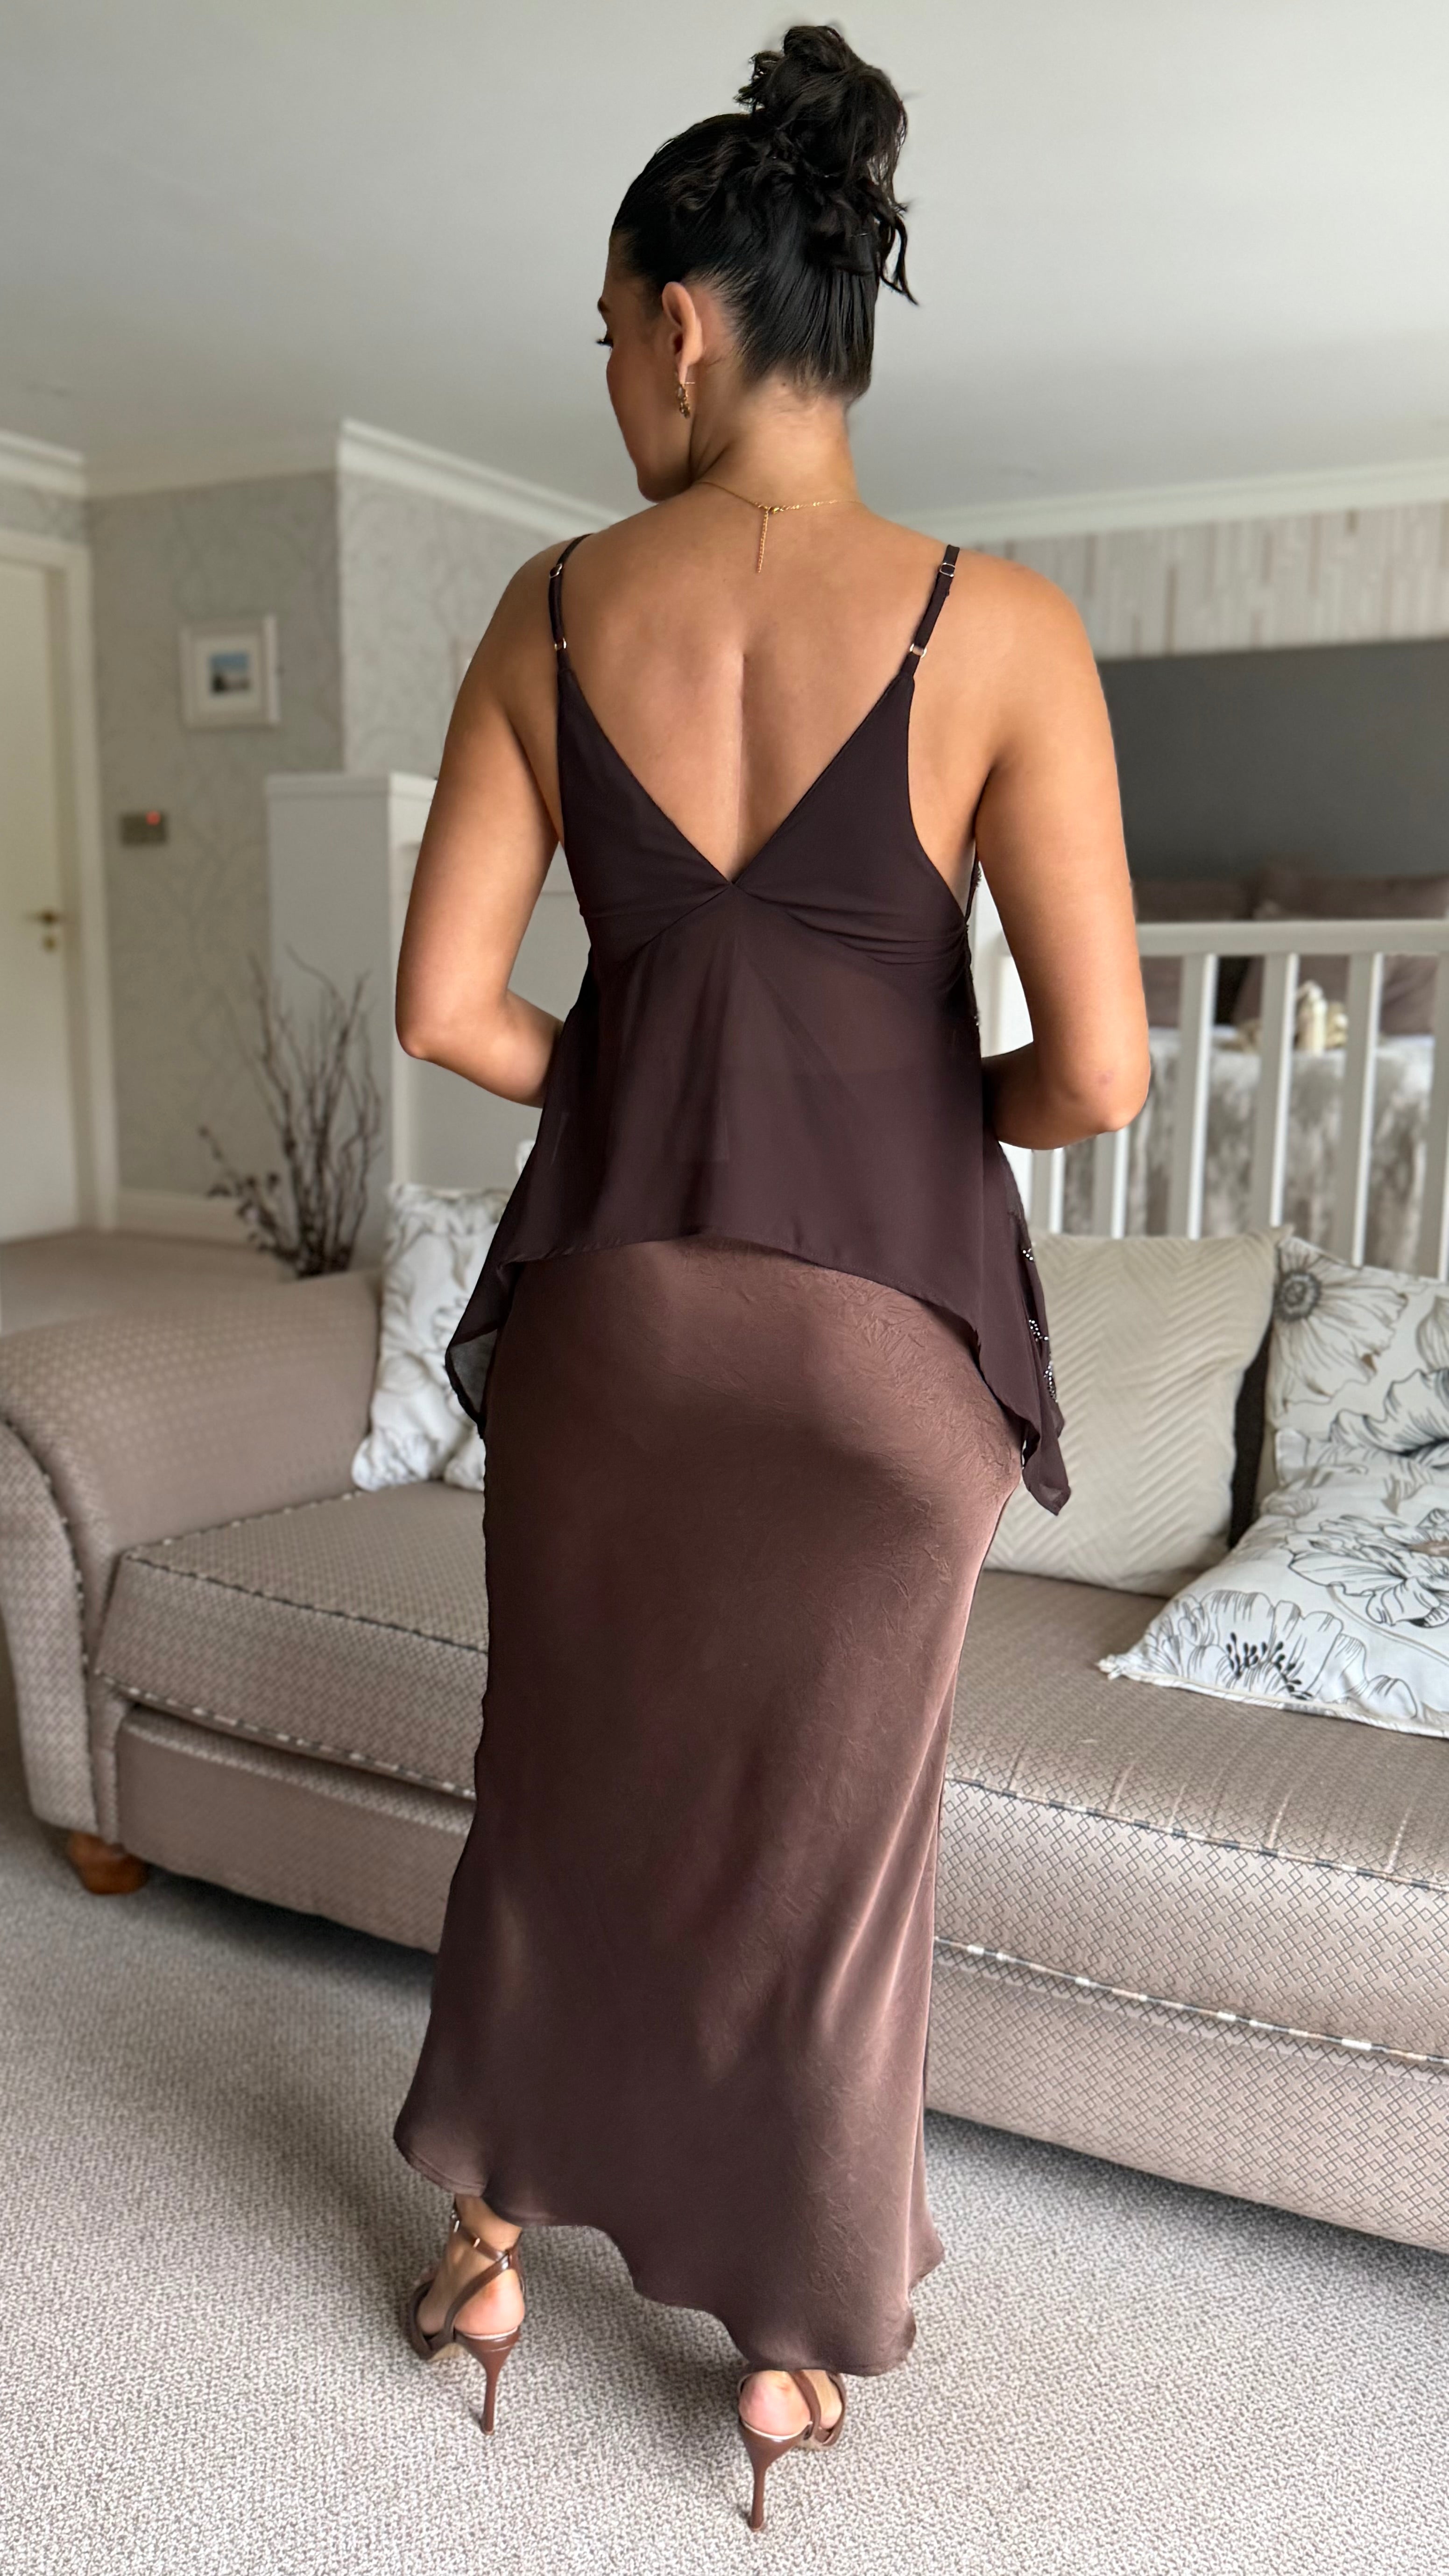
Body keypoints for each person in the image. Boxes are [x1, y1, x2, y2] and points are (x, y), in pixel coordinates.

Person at [390, 20, 1149, 2533]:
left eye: (610, 336)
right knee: (833, 1872)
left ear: (685, 324)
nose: (610, 381)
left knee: (560, 1790)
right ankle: (796, 2354)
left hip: (613, 1329)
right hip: (879, 1362)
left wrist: (643, 1076)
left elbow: (450, 1010)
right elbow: (1102, 1076)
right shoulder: (999, 627)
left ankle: (489, 2246)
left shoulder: (549, 609)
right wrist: (904, 1111)